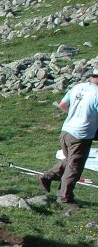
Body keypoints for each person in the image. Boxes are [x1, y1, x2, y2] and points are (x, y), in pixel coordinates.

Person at [38, 68, 98, 208]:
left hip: (66, 130)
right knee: (74, 167)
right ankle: (65, 198)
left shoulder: (78, 87)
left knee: (69, 160)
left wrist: (75, 115)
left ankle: (47, 176)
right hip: (81, 135)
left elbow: (62, 105)